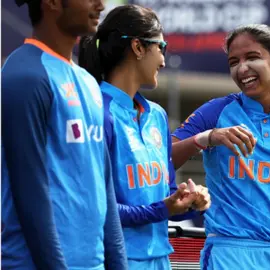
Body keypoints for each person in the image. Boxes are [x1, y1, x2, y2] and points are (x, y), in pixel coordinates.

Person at [171, 24, 270, 270]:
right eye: (234, 62)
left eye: (252, 57)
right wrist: (207, 138)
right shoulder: (217, 111)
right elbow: (164, 159)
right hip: (228, 253)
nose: (242, 68)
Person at [78, 4, 211, 270]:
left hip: (161, 258)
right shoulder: (95, 111)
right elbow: (98, 209)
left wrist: (188, 200)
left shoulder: (157, 115)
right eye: (161, 47)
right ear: (138, 48)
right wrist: (163, 209)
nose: (163, 59)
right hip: (113, 260)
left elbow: (167, 191)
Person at [1, 0, 127, 269]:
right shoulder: (24, 76)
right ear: (52, 2)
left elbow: (104, 188)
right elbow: (30, 193)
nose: (101, 4)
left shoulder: (89, 83)